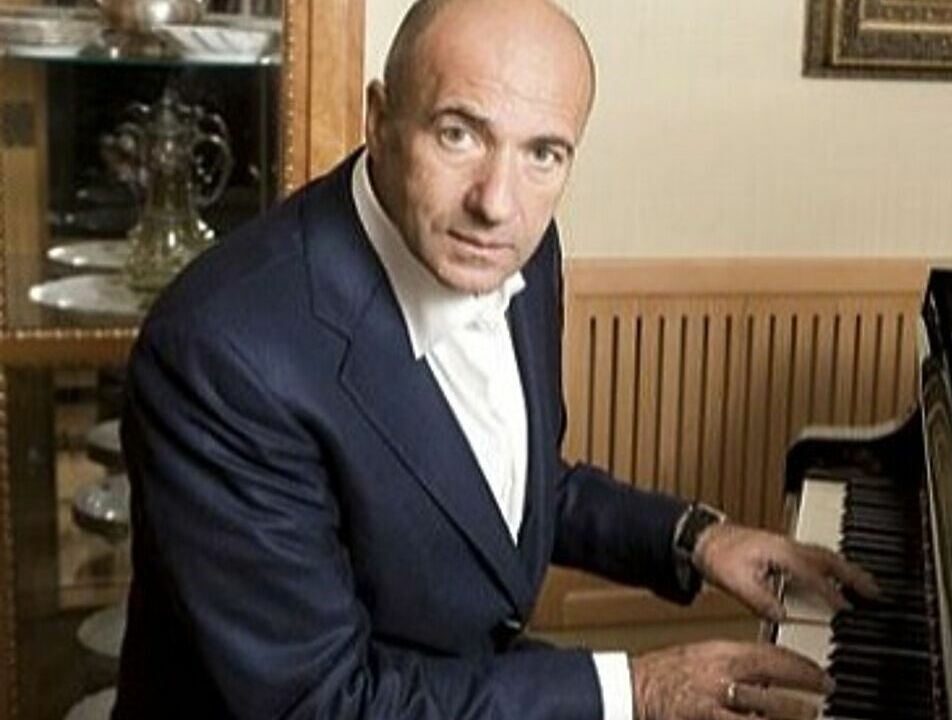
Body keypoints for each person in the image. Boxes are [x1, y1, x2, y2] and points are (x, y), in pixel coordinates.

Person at [113, 0, 879, 718]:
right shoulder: (222, 354)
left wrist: (697, 538)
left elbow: (505, 490)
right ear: (379, 121)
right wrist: (639, 689)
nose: (497, 202)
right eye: (459, 134)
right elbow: (324, 701)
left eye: (543, 153)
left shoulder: (521, 250)